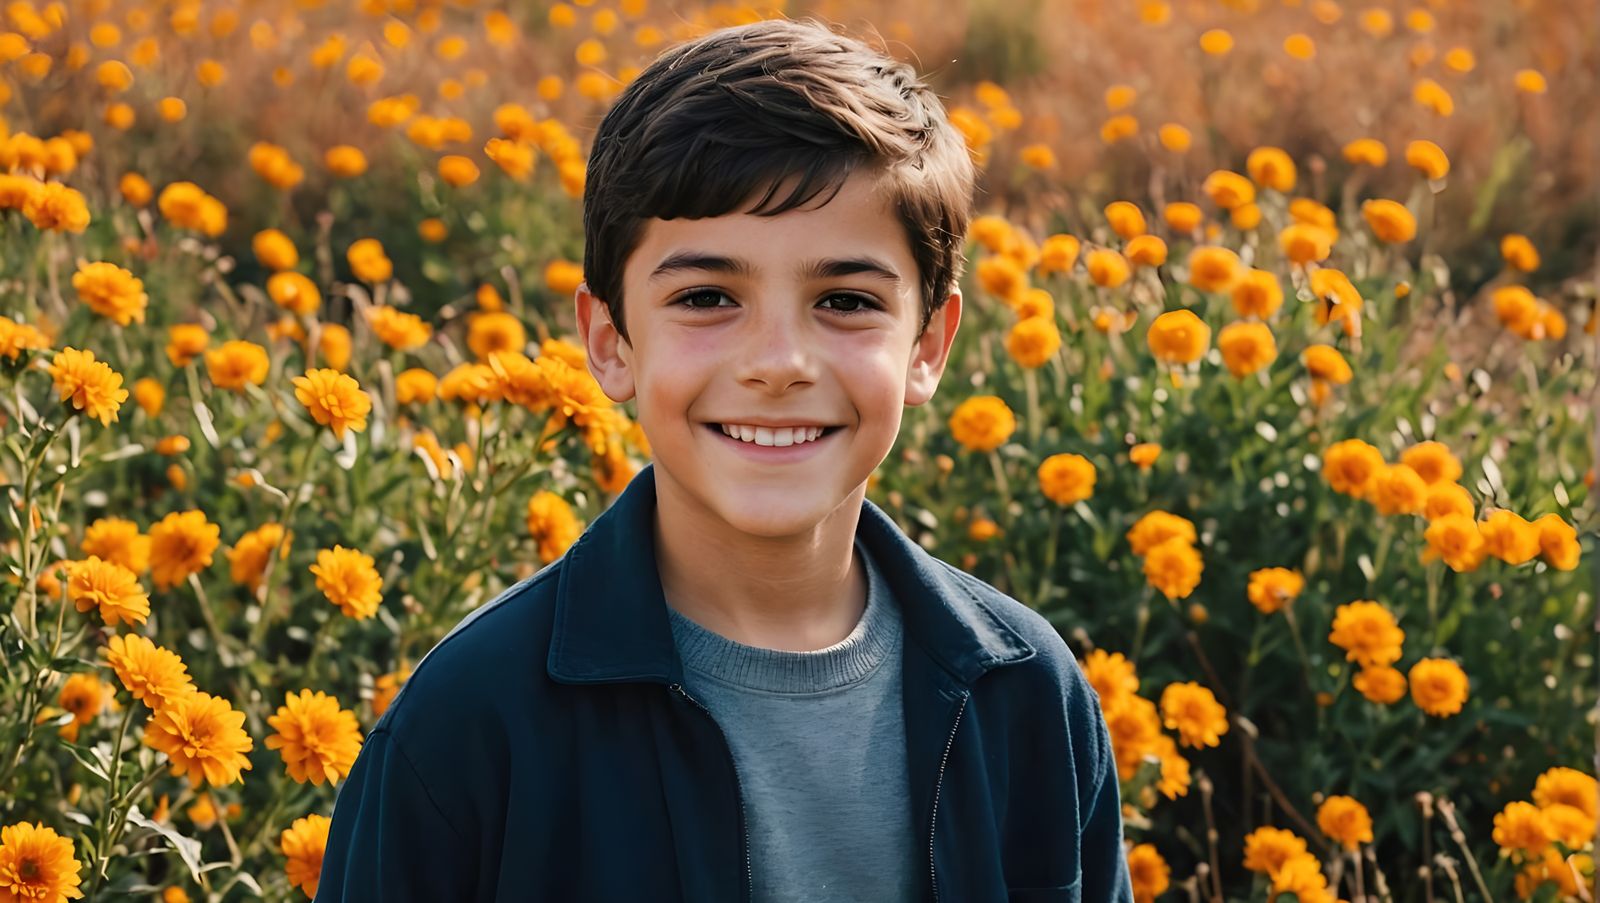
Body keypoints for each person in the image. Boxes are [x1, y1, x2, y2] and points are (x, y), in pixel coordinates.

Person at [316, 17, 1133, 902]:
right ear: (610, 340)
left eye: (847, 300)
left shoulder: (1029, 697)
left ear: (929, 344)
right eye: (707, 296)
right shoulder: (470, 723)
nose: (777, 362)